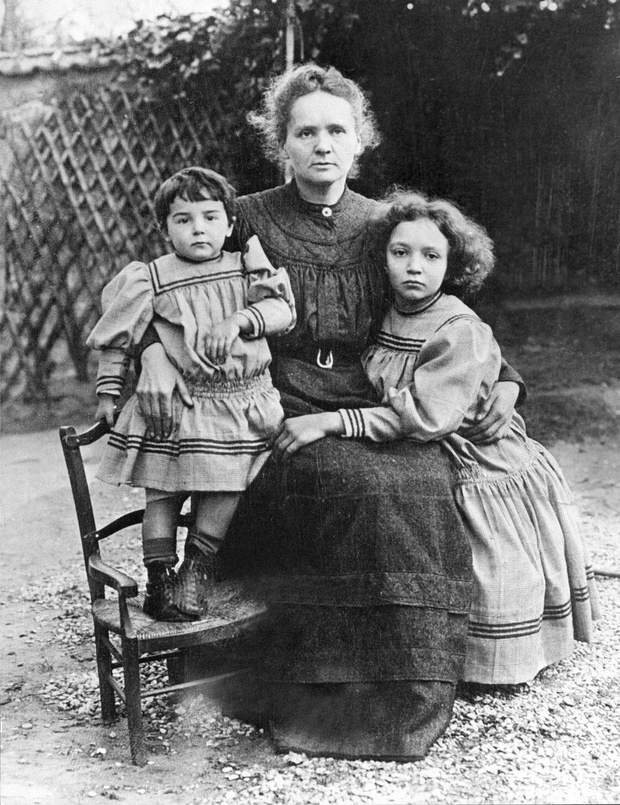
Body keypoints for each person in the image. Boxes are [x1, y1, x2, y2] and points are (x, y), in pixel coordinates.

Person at [135, 65, 524, 760]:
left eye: (337, 130)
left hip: (369, 399)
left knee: (421, 478)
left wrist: (508, 382)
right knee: (347, 481)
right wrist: (155, 356)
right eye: (305, 131)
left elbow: (443, 314)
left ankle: (409, 681)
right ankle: (321, 692)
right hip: (270, 401)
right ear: (280, 143)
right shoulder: (242, 216)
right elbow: (170, 286)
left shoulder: (383, 224)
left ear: (360, 141)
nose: (322, 145)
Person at [274, 189, 599, 685]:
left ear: (453, 265)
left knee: (485, 560)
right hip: (419, 439)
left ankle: (490, 660)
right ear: (381, 258)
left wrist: (332, 421)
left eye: (431, 256)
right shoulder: (384, 312)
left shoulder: (457, 327)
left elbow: (427, 415)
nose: (414, 267)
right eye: (400, 252)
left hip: (476, 452)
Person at [87, 167, 295, 622]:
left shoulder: (245, 264)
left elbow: (281, 310)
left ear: (230, 223)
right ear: (165, 229)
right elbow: (119, 335)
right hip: (175, 405)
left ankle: (196, 569)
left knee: (226, 486)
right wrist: (108, 392)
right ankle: (159, 577)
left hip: (238, 402)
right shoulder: (151, 277)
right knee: (162, 494)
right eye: (183, 220)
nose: (198, 228)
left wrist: (242, 320)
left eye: (209, 217)